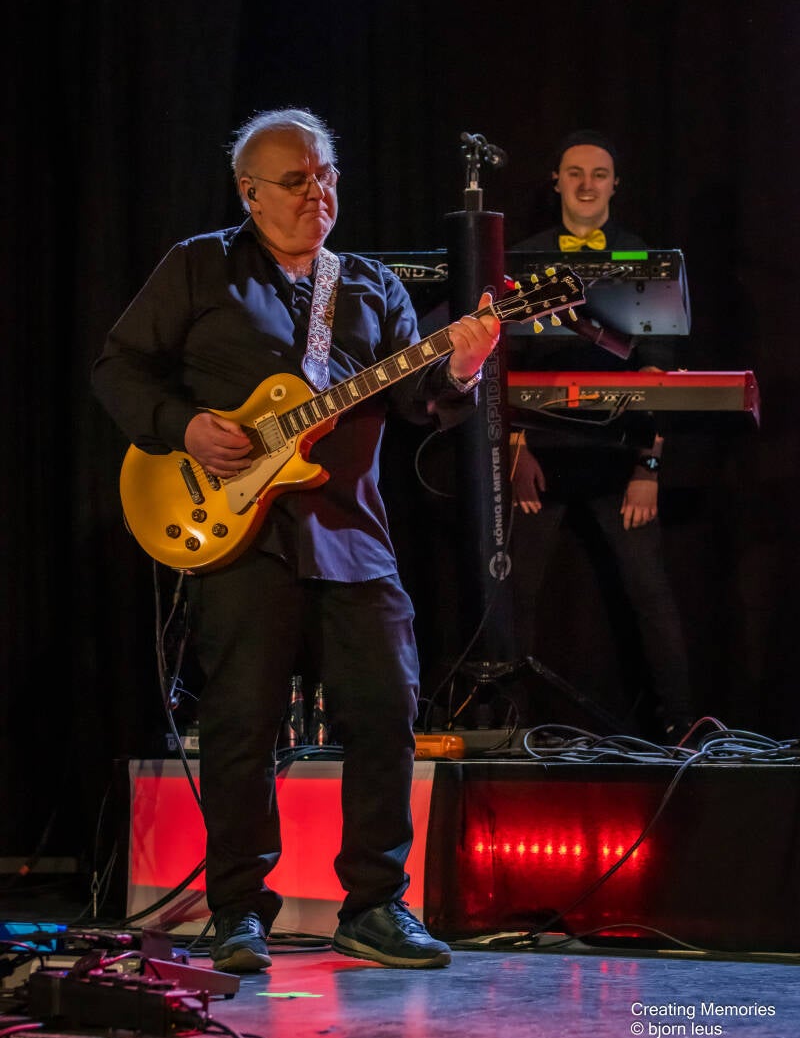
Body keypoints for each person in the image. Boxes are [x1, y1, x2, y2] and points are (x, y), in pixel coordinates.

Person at [92, 107, 500, 972]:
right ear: (249, 192)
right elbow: (117, 369)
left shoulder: (371, 286)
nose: (318, 193)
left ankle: (376, 906)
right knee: (242, 725)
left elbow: (418, 398)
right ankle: (238, 910)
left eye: (326, 176)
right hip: (241, 536)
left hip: (352, 531)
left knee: (386, 712)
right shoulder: (199, 265)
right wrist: (184, 426)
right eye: (296, 180)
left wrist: (461, 366)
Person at [508, 129, 694, 742]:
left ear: (615, 185)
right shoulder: (523, 258)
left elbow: (658, 375)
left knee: (651, 594)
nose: (586, 184)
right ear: (556, 182)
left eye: (599, 174)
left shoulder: (643, 257)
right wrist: (516, 453)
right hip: (540, 457)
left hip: (618, 457)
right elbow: (500, 369)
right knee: (513, 597)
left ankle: (683, 728)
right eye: (575, 173)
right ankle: (505, 727)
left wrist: (649, 468)